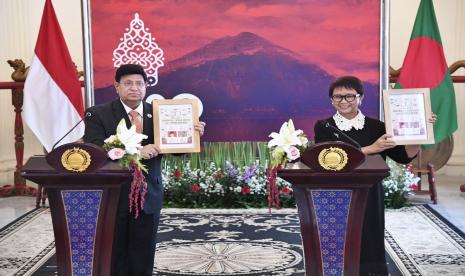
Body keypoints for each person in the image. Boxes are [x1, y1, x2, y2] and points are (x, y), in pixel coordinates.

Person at [83, 64, 205, 276]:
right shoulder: (98, 114)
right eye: (128, 83)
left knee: (143, 251)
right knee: (114, 249)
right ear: (116, 86)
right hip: (113, 194)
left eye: (139, 83)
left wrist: (190, 135)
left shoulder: (159, 112)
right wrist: (136, 152)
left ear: (146, 87)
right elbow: (96, 150)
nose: (134, 88)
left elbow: (174, 150)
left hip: (149, 192)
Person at [313, 76, 436, 276]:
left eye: (349, 96)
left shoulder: (377, 127)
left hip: (370, 191)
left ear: (360, 98)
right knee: (338, 235)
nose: (343, 101)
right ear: (331, 100)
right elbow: (329, 159)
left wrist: (421, 130)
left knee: (369, 233)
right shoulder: (324, 126)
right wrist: (371, 148)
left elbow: (402, 156)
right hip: (337, 190)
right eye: (338, 97)